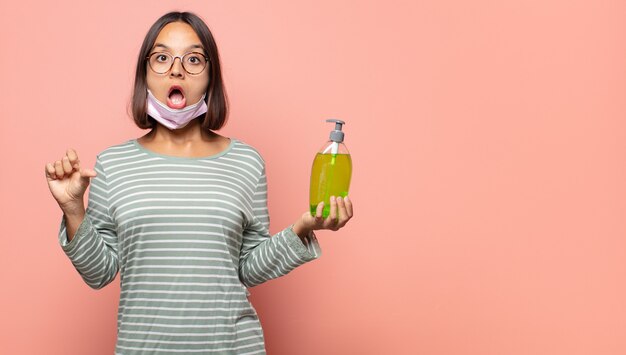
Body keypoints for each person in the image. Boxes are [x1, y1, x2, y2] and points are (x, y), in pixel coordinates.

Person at [44, 11, 353, 354]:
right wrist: (73, 209)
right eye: (162, 57)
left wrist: (301, 228)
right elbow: (99, 272)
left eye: (193, 59)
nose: (176, 69)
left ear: (211, 77)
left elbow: (248, 268)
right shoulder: (112, 164)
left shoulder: (246, 161)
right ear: (144, 74)